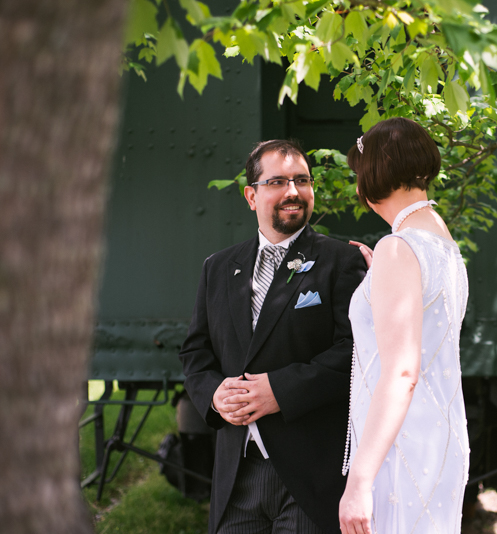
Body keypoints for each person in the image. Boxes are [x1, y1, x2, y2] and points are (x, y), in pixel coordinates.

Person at [179, 139, 367, 534]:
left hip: (309, 477)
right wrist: (214, 396)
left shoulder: (341, 261)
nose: (293, 192)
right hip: (235, 477)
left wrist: (279, 391)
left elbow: (355, 353)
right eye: (278, 182)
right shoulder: (217, 267)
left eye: (302, 180)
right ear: (252, 195)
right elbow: (196, 352)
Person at [339, 118, 470, 534]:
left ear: (375, 174)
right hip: (438, 438)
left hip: (400, 445)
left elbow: (402, 372)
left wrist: (359, 481)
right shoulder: (443, 244)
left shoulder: (398, 248)